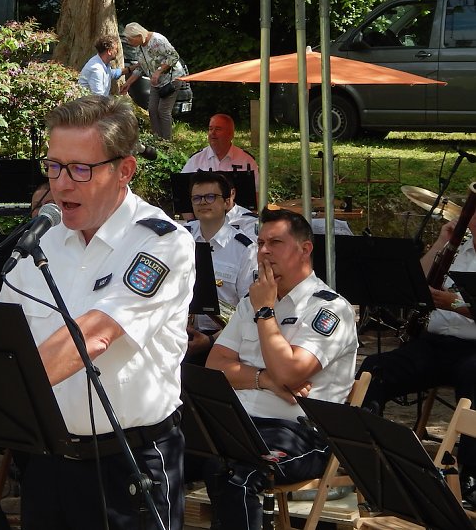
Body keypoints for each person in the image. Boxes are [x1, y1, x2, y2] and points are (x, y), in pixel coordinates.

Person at [0, 95, 195, 529]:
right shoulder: (39, 242)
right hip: (48, 459)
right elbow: (4, 342)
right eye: (53, 166)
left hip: (129, 463)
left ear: (125, 170)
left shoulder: (160, 241)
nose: (61, 185)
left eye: (80, 169)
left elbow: (94, 335)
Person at [202, 207, 357, 530]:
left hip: (301, 435)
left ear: (305, 249)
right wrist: (264, 380)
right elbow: (215, 366)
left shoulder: (329, 308)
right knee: (163, 454)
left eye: (275, 242)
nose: (264, 252)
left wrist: (266, 313)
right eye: (260, 243)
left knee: (236, 476)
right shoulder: (253, 301)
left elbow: (290, 373)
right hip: (240, 424)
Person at [359, 212, 476, 495]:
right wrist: (441, 242)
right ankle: (364, 457)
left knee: (474, 383)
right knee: (374, 369)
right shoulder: (459, 248)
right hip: (435, 343)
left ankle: (470, 476)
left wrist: (456, 304)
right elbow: (413, 282)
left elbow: (455, 301)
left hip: (473, 352)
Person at [184, 172, 257, 365]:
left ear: (227, 202)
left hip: (224, 341)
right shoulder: (180, 239)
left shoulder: (245, 250)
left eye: (210, 197)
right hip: (178, 334)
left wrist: (211, 340)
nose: (202, 203)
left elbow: (249, 309)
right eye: (197, 198)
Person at [119, 22, 186, 140]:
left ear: (138, 36)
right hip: (156, 82)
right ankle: (157, 140)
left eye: (130, 40)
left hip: (172, 79)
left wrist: (159, 71)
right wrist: (127, 83)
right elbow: (141, 67)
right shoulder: (139, 47)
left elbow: (174, 56)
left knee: (163, 111)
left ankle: (167, 143)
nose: (129, 43)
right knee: (152, 110)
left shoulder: (158, 40)